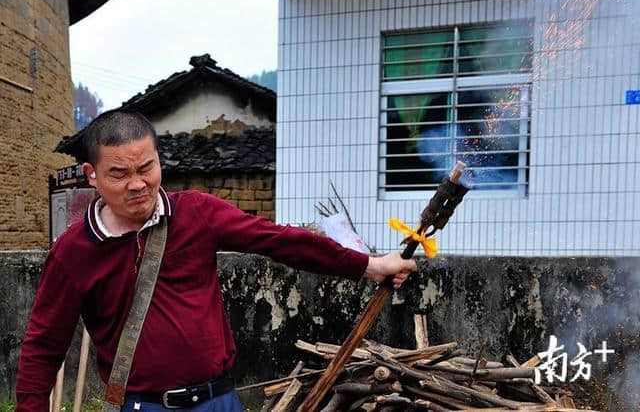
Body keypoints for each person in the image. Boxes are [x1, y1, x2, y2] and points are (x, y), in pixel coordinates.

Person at [16, 111, 417, 411]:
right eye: (119, 173)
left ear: (159, 159)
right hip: (144, 406)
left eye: (147, 167)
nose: (138, 184)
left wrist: (368, 265)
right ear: (92, 174)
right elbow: (43, 346)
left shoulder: (195, 213)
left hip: (219, 399)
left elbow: (278, 241)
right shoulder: (74, 250)